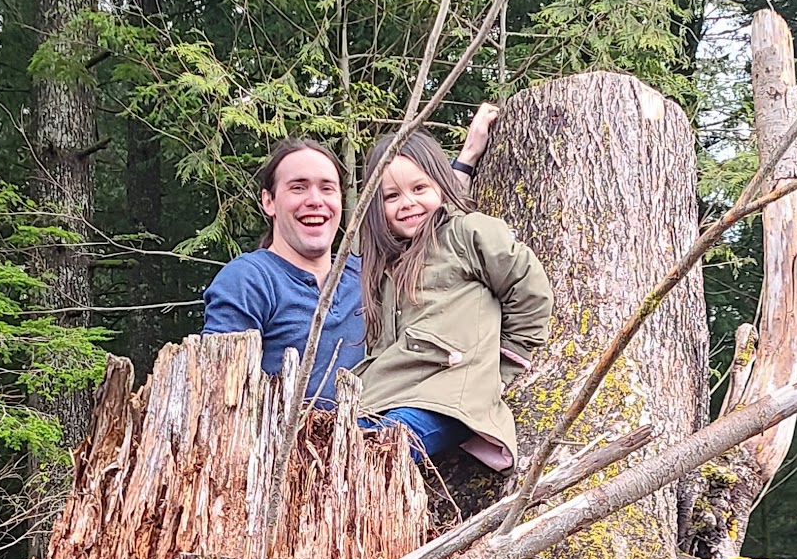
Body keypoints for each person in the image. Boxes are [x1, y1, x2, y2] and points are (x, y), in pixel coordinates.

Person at [355, 122, 552, 471]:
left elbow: (528, 289)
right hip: (385, 397)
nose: (408, 203)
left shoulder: (466, 233)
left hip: (447, 395)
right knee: (344, 444)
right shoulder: (384, 267)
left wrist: (505, 362)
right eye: (392, 196)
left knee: (383, 451)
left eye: (419, 187)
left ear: (441, 186)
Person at [201, 138, 362, 405]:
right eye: (298, 187)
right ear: (269, 201)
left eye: (327, 188)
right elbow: (218, 394)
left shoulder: (364, 276)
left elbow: (433, 224)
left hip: (370, 439)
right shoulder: (248, 280)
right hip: (276, 443)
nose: (315, 200)